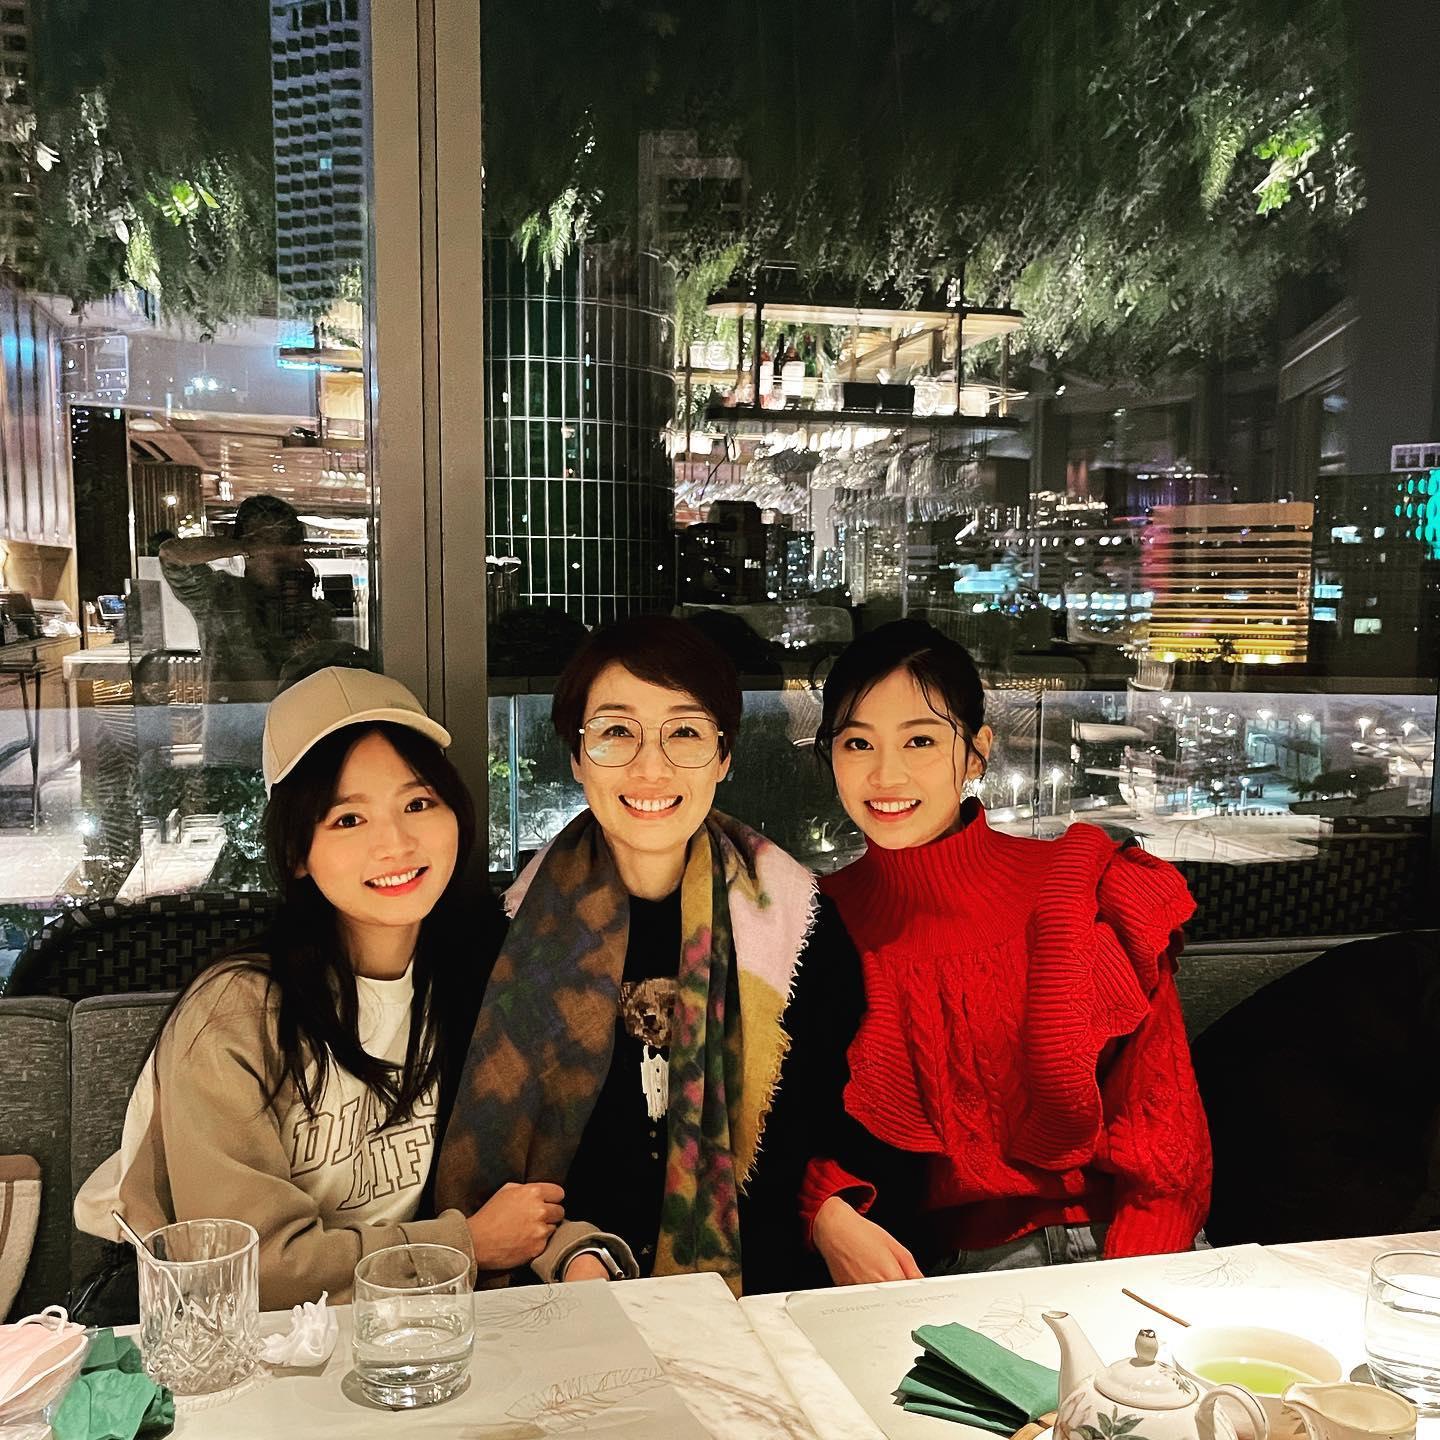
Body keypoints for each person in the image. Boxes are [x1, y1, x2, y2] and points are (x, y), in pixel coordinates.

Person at [75, 667, 558, 1309]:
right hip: (217, 1332)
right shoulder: (235, 1013)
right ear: (297, 852)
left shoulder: (473, 980)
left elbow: (522, 1188)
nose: (395, 843)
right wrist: (461, 1244)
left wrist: (573, 1248)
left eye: (417, 804)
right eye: (348, 819)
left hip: (405, 1325)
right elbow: (250, 1267)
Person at [435, 615, 863, 1295]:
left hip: (757, 1299)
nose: (650, 767)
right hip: (562, 1302)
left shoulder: (796, 927)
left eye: (684, 732)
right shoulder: (504, 940)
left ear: (723, 756)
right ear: (577, 756)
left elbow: (826, 1129)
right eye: (616, 732)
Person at [802, 619, 1212, 1282]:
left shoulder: (1084, 889)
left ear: (976, 752)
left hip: (1127, 1248)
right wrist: (822, 1207)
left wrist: (1132, 1296)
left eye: (921, 740)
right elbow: (779, 1121)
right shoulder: (809, 922)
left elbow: (1164, 1136)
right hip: (950, 1270)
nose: (886, 773)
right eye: (858, 742)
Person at [159, 494, 336, 765]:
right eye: (263, 541)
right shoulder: (219, 595)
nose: (273, 551)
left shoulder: (314, 611)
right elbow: (172, 555)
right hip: (233, 750)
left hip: (300, 748)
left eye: (284, 541)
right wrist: (243, 546)